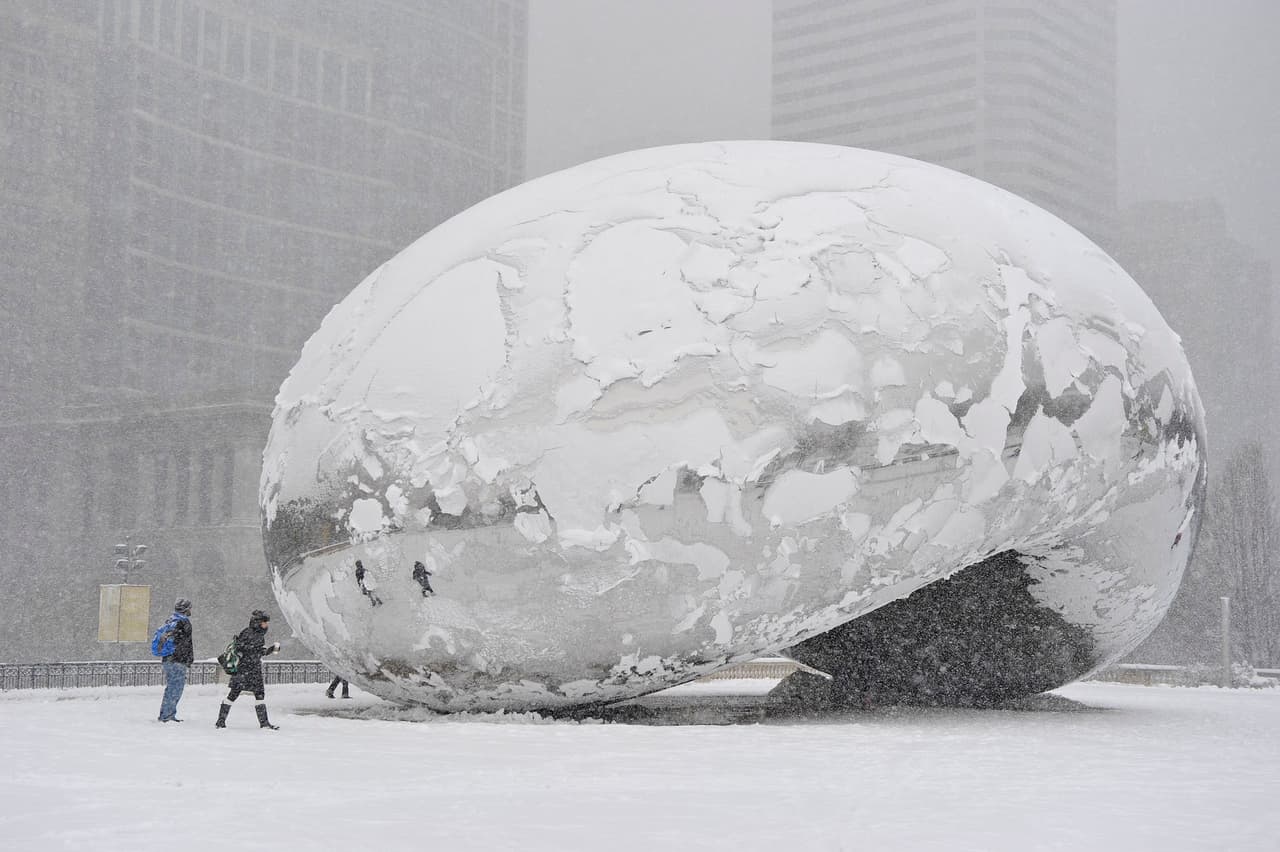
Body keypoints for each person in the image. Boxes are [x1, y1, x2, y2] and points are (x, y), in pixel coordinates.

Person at [215, 609, 283, 730]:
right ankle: (221, 721)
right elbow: (244, 649)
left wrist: (270, 650)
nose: (266, 625)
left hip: (249, 670)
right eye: (264, 622)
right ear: (258, 622)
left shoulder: (254, 634)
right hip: (246, 670)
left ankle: (263, 723)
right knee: (235, 695)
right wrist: (257, 650)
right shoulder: (250, 633)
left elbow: (257, 651)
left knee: (257, 695)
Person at [157, 598, 193, 722]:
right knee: (175, 689)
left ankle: (165, 714)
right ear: (186, 609)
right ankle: (167, 715)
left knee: (171, 688)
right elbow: (185, 643)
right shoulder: (183, 622)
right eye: (189, 608)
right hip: (177, 660)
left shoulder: (170, 620)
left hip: (168, 658)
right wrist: (188, 658)